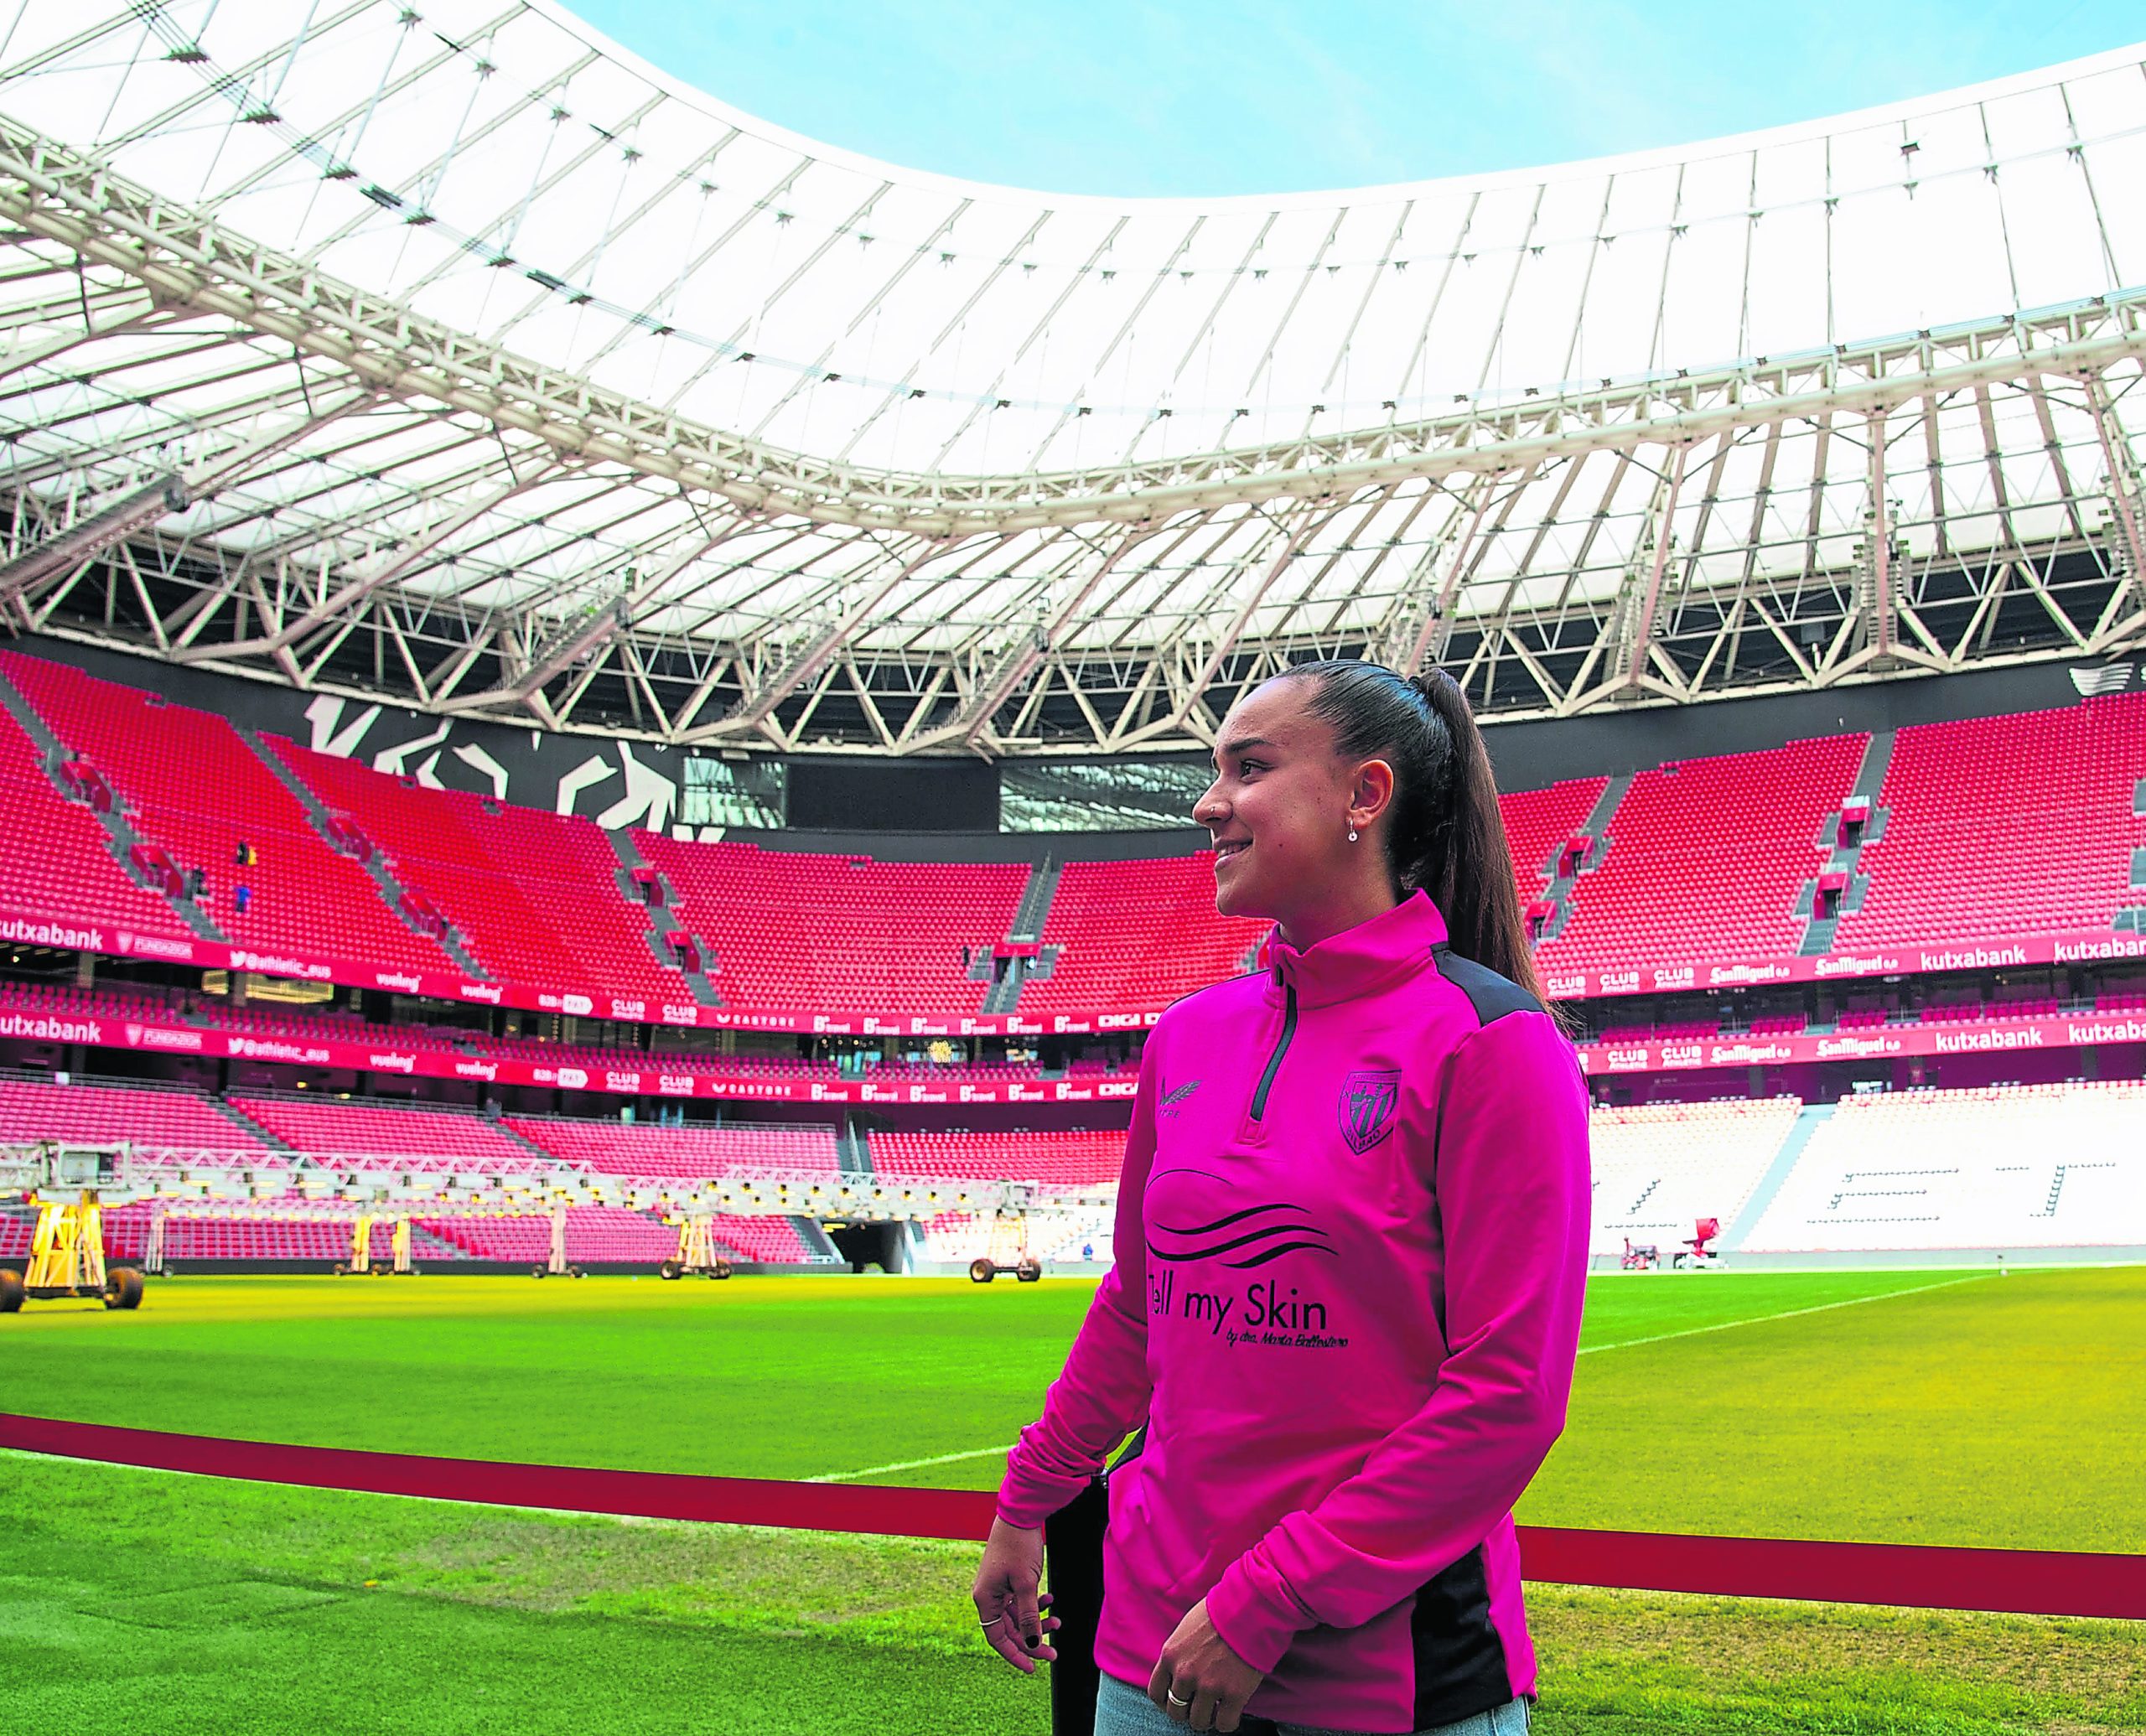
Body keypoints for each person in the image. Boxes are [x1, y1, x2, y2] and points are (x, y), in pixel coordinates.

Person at [972, 661, 1591, 1736]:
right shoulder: (1187, 1038)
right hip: (1145, 1656)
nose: (1207, 803)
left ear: (1365, 794)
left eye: (1248, 768)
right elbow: (1139, 1306)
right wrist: (1029, 1497)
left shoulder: (1492, 1045)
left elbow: (1506, 1398)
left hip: (1384, 1681)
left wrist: (1268, 1599)